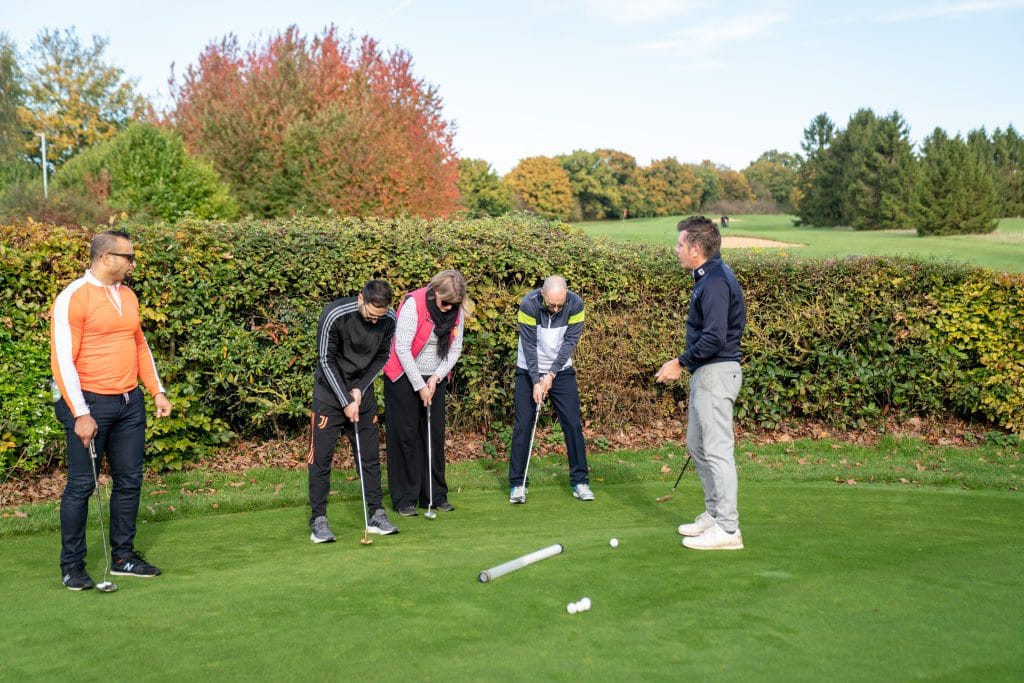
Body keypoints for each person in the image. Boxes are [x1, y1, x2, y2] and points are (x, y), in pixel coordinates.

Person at [50, 230, 173, 590]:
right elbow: (62, 362)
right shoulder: (73, 297)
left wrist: (157, 390)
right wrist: (80, 412)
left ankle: (124, 557)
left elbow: (139, 345)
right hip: (89, 402)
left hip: (128, 402)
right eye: (127, 257)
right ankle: (72, 566)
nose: (133, 263)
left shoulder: (129, 295)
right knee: (81, 486)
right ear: (105, 258)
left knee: (130, 481)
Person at [655, 216, 747, 550]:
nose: (676, 249)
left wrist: (679, 363)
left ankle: (728, 529)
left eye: (680, 244)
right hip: (707, 373)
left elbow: (714, 338)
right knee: (697, 445)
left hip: (717, 373)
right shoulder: (707, 278)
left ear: (696, 249)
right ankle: (714, 513)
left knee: (718, 450)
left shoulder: (715, 281)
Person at [307, 280, 399, 543]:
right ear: (361, 298)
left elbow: (383, 357)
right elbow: (325, 359)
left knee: (369, 457)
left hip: (362, 395)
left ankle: (376, 514)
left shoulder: (389, 319)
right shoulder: (334, 314)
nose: (373, 322)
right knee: (321, 459)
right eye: (370, 315)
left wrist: (359, 389)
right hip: (329, 394)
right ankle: (318, 520)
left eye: (378, 318)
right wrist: (345, 398)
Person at [383, 270, 468, 516]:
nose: (447, 309)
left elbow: (455, 349)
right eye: (444, 303)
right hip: (402, 375)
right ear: (434, 293)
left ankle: (434, 494)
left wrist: (435, 378)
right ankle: (405, 498)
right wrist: (419, 385)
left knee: (433, 436)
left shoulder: (456, 310)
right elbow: (402, 347)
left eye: (453, 305)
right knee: (406, 437)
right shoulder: (414, 303)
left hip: (435, 376)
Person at [508, 275, 593, 504]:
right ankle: (518, 483)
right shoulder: (528, 304)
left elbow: (569, 343)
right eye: (551, 304)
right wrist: (537, 380)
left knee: (573, 424)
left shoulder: (575, 304)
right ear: (542, 294)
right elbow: (529, 345)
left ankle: (580, 481)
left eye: (559, 304)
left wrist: (552, 374)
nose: (555, 308)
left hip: (561, 370)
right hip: (528, 370)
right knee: (523, 425)